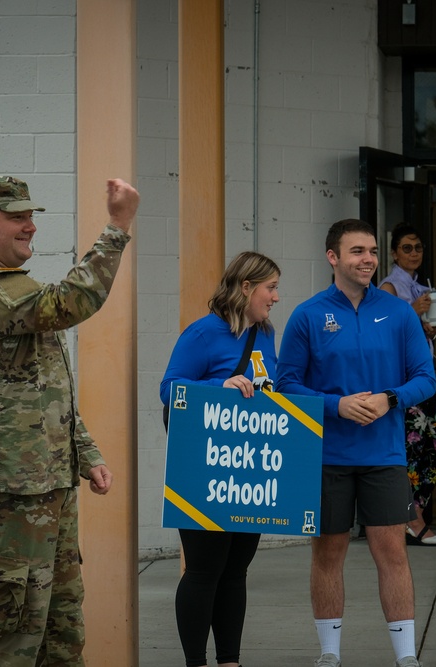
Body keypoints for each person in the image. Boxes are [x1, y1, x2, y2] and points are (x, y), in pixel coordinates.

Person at [0, 175, 138, 666]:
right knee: (8, 644)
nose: (31, 227)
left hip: (47, 490)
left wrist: (86, 454)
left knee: (60, 637)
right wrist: (116, 227)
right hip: (1, 497)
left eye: (32, 216)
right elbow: (67, 303)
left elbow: (44, 390)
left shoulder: (15, 289)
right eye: (17, 217)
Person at [277, 219, 436, 667]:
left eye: (371, 252)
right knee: (329, 552)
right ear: (333, 258)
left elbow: (425, 378)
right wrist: (335, 405)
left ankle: (406, 657)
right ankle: (329, 654)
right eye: (356, 252)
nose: (367, 260)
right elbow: (287, 384)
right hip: (327, 456)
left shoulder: (399, 313)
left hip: (383, 455)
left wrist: (391, 399)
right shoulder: (307, 315)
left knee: (392, 552)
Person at [159, 251, 281, 667]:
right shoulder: (203, 333)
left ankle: (230, 660)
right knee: (204, 570)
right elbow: (169, 391)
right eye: (270, 287)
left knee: (236, 571)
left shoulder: (265, 333)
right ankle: (196, 662)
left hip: (249, 468)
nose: (276, 297)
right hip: (206, 469)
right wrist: (219, 388)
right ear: (245, 288)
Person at [378, 222, 436, 547]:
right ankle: (411, 518)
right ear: (394, 252)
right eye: (406, 248)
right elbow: (378, 327)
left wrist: (428, 329)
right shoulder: (390, 288)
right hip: (403, 380)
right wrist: (413, 311)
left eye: (417, 248)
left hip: (422, 376)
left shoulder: (422, 286)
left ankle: (409, 512)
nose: (413, 253)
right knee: (414, 449)